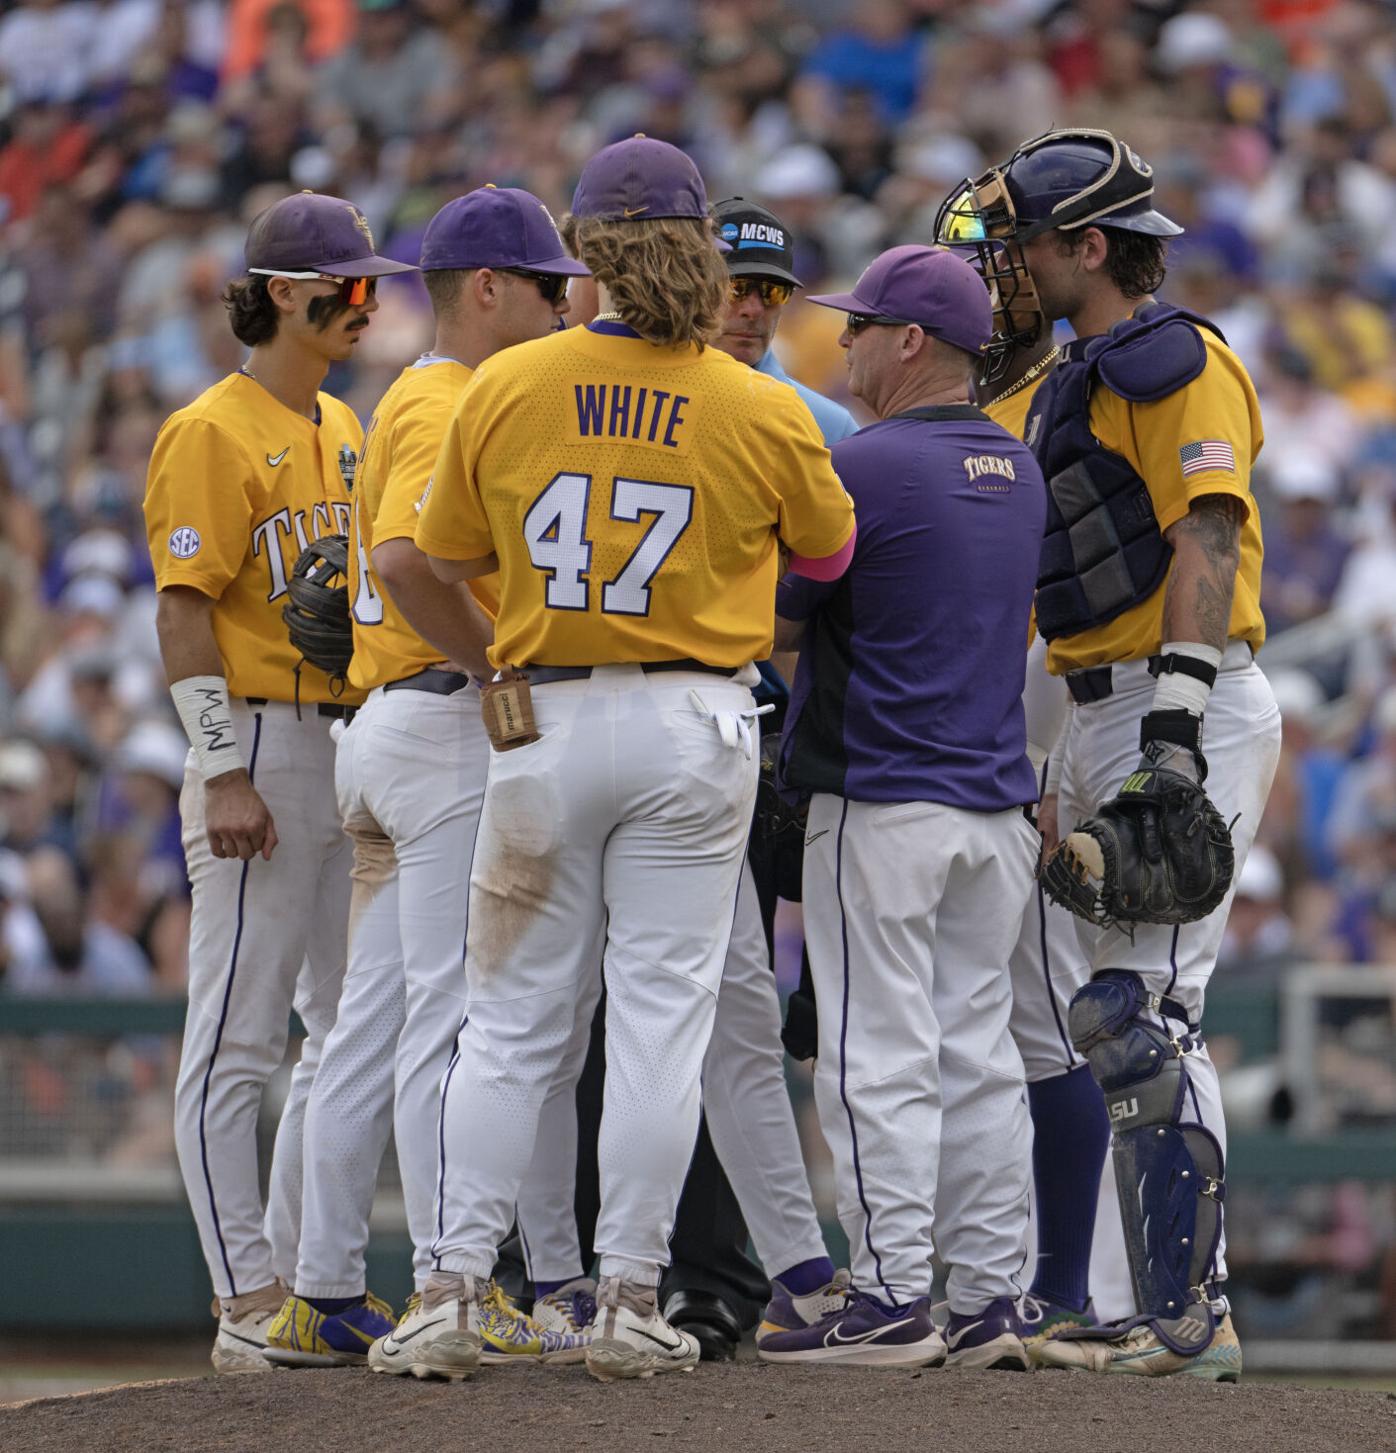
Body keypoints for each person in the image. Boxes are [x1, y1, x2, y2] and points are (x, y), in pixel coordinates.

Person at [371, 134, 854, 1384]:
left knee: (511, 1024)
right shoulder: (757, 396)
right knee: (659, 1023)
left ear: (584, 251)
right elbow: (831, 552)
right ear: (697, 250)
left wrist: (490, 666)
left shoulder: (506, 383)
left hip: (547, 713)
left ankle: (446, 1288)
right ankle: (632, 1295)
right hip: (697, 719)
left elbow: (423, 561)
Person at [950, 127, 1279, 1379]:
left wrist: (1175, 731)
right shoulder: (1065, 378)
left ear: (1090, 244)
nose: (1011, 267)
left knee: (1145, 1012)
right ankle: (1150, 1311)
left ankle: (1191, 1316)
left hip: (1181, 698)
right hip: (1088, 701)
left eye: (1026, 242)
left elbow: (1208, 531)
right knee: (1108, 1016)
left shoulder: (1174, 357)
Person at [262, 187, 594, 1369]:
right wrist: (495, 668)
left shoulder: (416, 393)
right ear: (488, 289)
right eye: (549, 284)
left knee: (368, 1024)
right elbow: (407, 563)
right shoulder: (449, 393)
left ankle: (323, 1287)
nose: (567, 302)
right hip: (444, 723)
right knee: (443, 1025)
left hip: (387, 726)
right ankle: (447, 1291)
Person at [142, 190, 414, 1372]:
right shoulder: (210, 427)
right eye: (347, 287)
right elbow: (181, 608)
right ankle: (242, 1292)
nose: (366, 302)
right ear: (286, 296)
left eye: (369, 285)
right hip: (251, 741)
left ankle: (312, 1281)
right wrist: (216, 771)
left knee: (340, 1025)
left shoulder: (345, 428)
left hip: (336, 735)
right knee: (238, 1036)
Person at [758, 245, 1044, 1369]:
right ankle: (989, 1300)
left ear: (911, 341)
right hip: (992, 806)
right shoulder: (1015, 466)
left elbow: (781, 618)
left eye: (862, 325)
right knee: (976, 1050)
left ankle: (884, 1296)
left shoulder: (866, 466)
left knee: (873, 1051)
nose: (843, 342)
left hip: (880, 795)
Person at [652, 193, 858, 1360]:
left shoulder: (822, 418)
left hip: (771, 740)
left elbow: (849, 597)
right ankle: (584, 1274)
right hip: (684, 719)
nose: (751, 307)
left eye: (772, 290)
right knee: (605, 1021)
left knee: (750, 1016)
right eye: (736, 282)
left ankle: (740, 1279)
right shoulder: (639, 395)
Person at [934, 183, 1125, 1354]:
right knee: (964, 1017)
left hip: (1034, 717)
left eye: (993, 259)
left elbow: (1069, 590)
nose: (985, 281)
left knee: (1047, 1010)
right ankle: (966, 1281)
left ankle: (1063, 1289)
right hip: (956, 725)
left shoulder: (1070, 388)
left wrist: (1044, 752)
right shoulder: (980, 394)